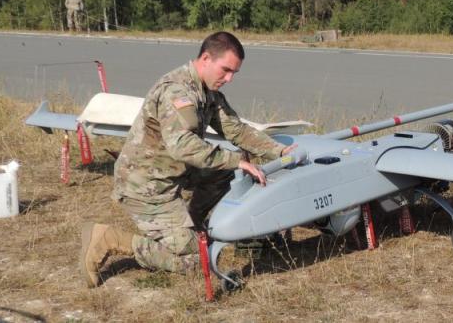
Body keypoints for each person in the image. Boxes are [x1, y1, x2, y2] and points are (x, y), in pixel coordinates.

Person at [80, 31, 298, 287]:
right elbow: (182, 146)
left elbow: (236, 130)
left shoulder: (208, 91)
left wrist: (280, 151)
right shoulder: (177, 91)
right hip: (146, 187)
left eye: (234, 74)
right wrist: (236, 160)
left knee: (229, 174)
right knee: (199, 261)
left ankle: (191, 225)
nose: (228, 79)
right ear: (206, 58)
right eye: (225, 70)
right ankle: (109, 238)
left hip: (173, 174)